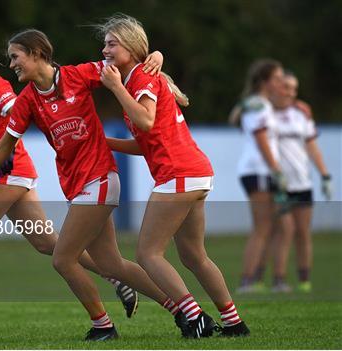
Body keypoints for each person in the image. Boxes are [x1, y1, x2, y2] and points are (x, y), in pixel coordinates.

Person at [0, 28, 189, 341]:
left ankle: (103, 325)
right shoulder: (28, 101)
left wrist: (155, 56)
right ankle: (183, 312)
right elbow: (4, 145)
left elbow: (126, 63)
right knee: (112, 264)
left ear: (36, 54)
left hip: (100, 177)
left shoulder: (80, 75)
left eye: (15, 57)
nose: (12, 65)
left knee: (63, 259)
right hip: (78, 186)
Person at [0, 25, 142, 337]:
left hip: (8, 172)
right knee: (48, 244)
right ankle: (114, 277)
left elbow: (14, 110)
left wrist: (2, 157)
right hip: (10, 174)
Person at [96, 14, 249, 338]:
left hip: (178, 174)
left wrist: (115, 88)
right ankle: (234, 323)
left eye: (112, 43)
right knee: (193, 255)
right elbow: (145, 142)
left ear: (133, 47)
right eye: (105, 43)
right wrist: (104, 141)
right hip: (194, 173)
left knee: (148, 254)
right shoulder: (140, 77)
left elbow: (146, 120)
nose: (105, 49)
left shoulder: (140, 79)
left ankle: (195, 319)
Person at [255, 71, 332, 293]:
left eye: (294, 89)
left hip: (303, 182)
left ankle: (304, 280)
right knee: (284, 230)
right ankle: (278, 279)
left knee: (303, 232)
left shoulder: (301, 114)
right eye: (285, 87)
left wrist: (325, 175)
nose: (290, 92)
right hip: (279, 183)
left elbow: (312, 147)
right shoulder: (265, 113)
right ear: (276, 87)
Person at [228, 58, 287, 294]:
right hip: (259, 170)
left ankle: (258, 279)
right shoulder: (258, 105)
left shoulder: (262, 104)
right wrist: (276, 170)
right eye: (277, 78)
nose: (281, 82)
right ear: (265, 81)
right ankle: (247, 281)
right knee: (262, 227)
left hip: (261, 170)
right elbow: (262, 140)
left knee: (273, 226)